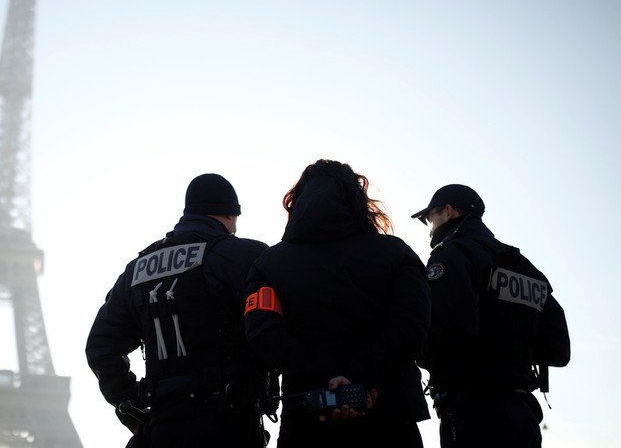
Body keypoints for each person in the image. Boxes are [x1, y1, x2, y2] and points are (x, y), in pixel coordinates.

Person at [244, 159, 431, 447]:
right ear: (358, 199)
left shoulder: (269, 265)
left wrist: (323, 379)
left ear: (297, 201)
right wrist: (359, 378)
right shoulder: (396, 254)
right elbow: (411, 328)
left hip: (308, 416)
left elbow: (263, 332)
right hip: (388, 415)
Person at [85, 173, 274, 448]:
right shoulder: (243, 255)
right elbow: (276, 327)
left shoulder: (137, 269)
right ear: (230, 214)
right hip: (230, 425)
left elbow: (101, 347)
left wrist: (131, 403)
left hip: (162, 425)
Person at [411, 184, 571, 448]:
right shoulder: (525, 266)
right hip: (523, 414)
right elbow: (558, 350)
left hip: (471, 412)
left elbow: (445, 328)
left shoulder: (451, 255)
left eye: (430, 218)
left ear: (449, 211)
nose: (430, 228)